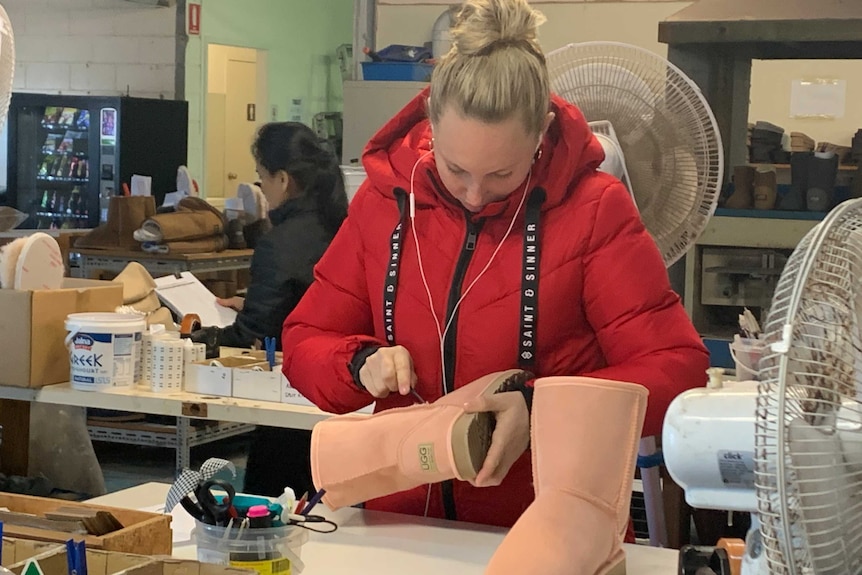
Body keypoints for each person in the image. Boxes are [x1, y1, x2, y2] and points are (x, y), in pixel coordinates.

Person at [282, 0, 708, 528]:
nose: (476, 195)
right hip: (400, 525)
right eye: (456, 169)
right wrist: (357, 363)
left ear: (542, 132)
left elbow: (677, 368)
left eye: (502, 174)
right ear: (429, 122)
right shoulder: (385, 204)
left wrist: (539, 408)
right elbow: (304, 340)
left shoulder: (594, 211)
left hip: (548, 527)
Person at [192, 121, 348, 496]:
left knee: (267, 507)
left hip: (290, 404)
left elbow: (254, 334)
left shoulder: (278, 244)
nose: (261, 188)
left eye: (262, 178)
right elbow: (314, 300)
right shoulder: (343, 226)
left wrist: (199, 335)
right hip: (340, 399)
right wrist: (255, 302)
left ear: (284, 179)